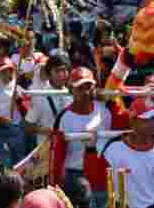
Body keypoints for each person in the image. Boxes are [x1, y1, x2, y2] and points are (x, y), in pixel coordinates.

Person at [84, 98, 154, 208]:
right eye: (147, 119)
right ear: (133, 121)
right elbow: (97, 179)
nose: (152, 123)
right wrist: (90, 149)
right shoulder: (115, 147)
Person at [50, 67, 127, 208]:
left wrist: (115, 100)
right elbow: (57, 157)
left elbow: (125, 128)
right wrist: (55, 185)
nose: (85, 92)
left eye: (89, 86)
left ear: (95, 87)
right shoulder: (64, 118)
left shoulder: (106, 110)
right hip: (75, 176)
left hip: (103, 174)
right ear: (70, 89)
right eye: (80, 87)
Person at [0, 57, 26, 168]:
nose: (8, 75)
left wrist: (20, 100)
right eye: (4, 72)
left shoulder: (18, 89)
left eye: (10, 71)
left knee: (20, 162)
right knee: (5, 163)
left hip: (17, 130)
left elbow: (27, 111)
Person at [25, 53, 71, 144]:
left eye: (65, 70)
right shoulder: (41, 96)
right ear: (49, 73)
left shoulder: (72, 95)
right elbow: (28, 126)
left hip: (68, 148)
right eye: (58, 71)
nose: (62, 74)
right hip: (48, 150)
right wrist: (45, 131)